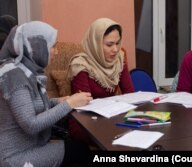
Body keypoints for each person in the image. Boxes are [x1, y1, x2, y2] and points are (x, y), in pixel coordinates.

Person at [0, 21, 92, 167]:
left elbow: (33, 107)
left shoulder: (26, 70)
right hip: (14, 157)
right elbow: (31, 124)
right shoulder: (15, 77)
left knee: (79, 149)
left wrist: (58, 101)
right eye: (53, 46)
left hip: (29, 146)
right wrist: (70, 104)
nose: (57, 51)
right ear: (36, 48)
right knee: (80, 151)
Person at [67, 18, 134, 141]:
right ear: (95, 43)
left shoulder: (119, 58)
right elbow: (84, 106)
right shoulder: (81, 65)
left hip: (112, 115)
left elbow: (129, 93)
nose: (115, 49)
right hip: (86, 121)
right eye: (109, 44)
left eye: (117, 43)